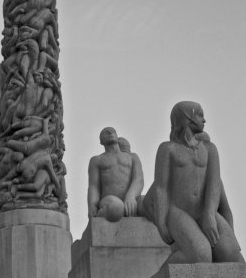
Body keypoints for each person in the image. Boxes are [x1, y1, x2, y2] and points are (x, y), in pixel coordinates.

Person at [143, 101, 244, 265]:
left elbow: (214, 185)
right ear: (186, 118)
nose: (204, 120)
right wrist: (161, 222)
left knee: (230, 255)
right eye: (200, 115)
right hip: (177, 211)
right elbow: (160, 189)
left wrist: (210, 214)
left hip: (203, 211)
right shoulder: (167, 149)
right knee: (201, 255)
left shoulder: (210, 149)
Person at [88, 127, 144, 222]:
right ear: (101, 142)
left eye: (113, 131)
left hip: (133, 199)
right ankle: (99, 216)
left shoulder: (133, 157)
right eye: (106, 132)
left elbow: (138, 179)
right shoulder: (97, 160)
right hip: (109, 200)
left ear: (117, 137)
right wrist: (92, 205)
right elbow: (94, 186)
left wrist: (131, 196)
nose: (110, 132)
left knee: (154, 204)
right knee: (116, 207)